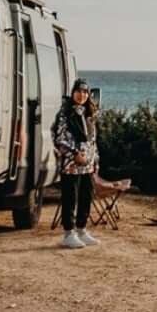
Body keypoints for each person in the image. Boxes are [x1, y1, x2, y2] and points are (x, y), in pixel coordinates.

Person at [52, 79, 102, 249]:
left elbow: (93, 140)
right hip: (70, 163)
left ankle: (81, 229)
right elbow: (60, 138)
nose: (82, 95)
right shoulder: (64, 113)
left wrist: (95, 159)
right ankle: (68, 233)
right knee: (69, 197)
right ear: (73, 92)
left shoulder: (89, 114)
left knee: (86, 196)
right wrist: (74, 153)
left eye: (85, 92)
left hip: (87, 163)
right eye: (79, 91)